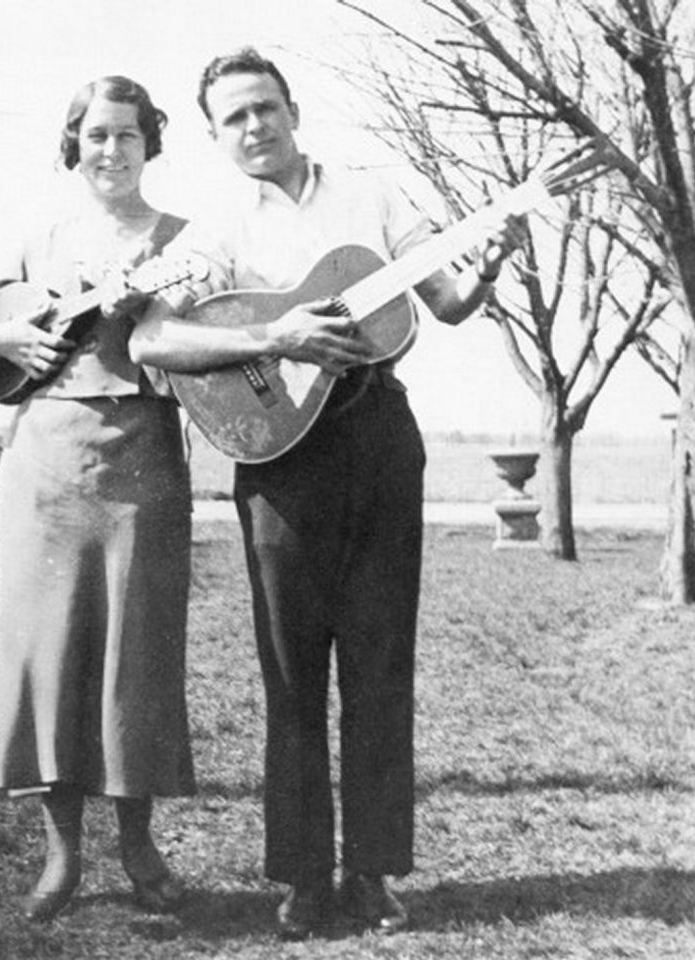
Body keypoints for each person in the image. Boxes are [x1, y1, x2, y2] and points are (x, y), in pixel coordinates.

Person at [130, 48, 519, 940]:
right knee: (290, 670)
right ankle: (304, 878)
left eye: (264, 107)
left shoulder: (373, 199)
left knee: (379, 667)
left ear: (293, 110)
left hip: (378, 436)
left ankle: (371, 872)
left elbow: (449, 302)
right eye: (233, 117)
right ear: (216, 135)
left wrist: (488, 263)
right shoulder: (215, 228)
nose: (253, 127)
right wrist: (277, 332)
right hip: (277, 457)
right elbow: (153, 341)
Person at [0, 75, 195, 923]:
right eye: (94, 136)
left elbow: (212, 338)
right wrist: (3, 334)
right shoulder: (34, 232)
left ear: (151, 142)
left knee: (135, 657)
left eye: (127, 134)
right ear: (72, 146)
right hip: (42, 462)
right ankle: (60, 855)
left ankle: (138, 847)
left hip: (144, 456)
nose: (111, 150)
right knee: (48, 655)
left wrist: (156, 307)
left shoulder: (187, 240)